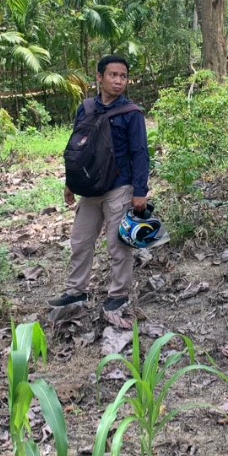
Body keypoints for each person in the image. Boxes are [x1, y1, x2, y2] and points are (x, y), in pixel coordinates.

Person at [49, 55, 150, 316]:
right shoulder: (85, 108)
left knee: (118, 244)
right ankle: (75, 292)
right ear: (99, 77)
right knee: (81, 241)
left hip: (120, 186)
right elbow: (76, 147)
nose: (118, 81)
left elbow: (140, 152)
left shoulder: (132, 114)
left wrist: (140, 192)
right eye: (113, 75)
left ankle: (119, 295)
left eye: (123, 76)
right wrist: (70, 182)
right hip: (90, 187)